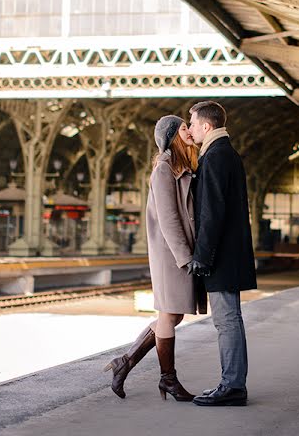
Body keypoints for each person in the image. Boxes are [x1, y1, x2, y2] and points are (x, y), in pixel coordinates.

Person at [104, 115, 205, 401]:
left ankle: (125, 362)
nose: (188, 131)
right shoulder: (163, 169)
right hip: (170, 253)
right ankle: (168, 380)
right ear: (171, 135)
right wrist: (185, 257)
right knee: (169, 314)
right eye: (183, 128)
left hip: (176, 251)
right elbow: (169, 218)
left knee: (173, 314)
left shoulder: (181, 166)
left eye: (188, 126)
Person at [185, 101, 256, 407]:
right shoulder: (225, 153)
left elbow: (211, 212)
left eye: (192, 123)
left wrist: (202, 255)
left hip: (221, 256)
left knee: (227, 321)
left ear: (207, 126)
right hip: (231, 253)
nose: (188, 128)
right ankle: (234, 382)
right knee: (231, 320)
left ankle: (232, 386)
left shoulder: (214, 157)